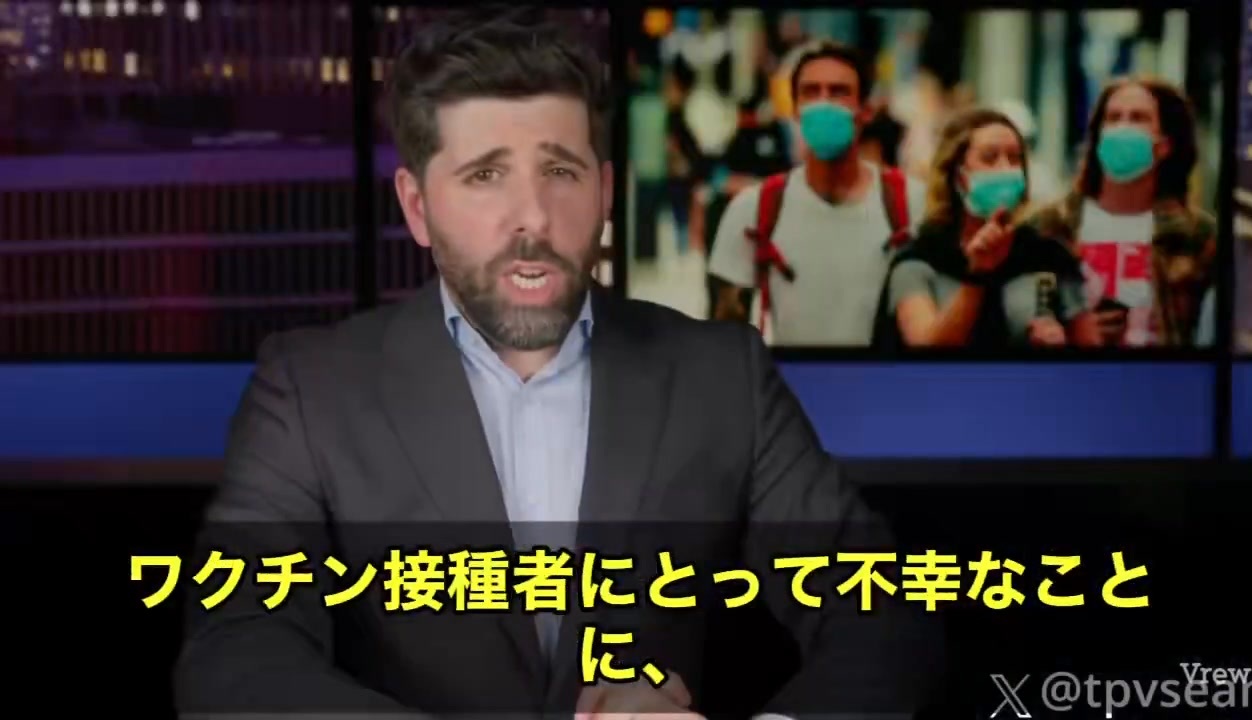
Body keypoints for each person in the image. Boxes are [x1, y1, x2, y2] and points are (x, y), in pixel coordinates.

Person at [173, 9, 934, 719]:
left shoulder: (720, 376)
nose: (533, 218)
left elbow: (881, 611)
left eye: (561, 171)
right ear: (417, 207)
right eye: (485, 175)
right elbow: (236, 652)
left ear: (604, 192)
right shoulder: (310, 388)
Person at [707, 41, 927, 346]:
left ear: (866, 111)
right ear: (796, 110)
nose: (823, 104)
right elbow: (726, 336)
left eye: (839, 92)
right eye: (811, 92)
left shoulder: (914, 204)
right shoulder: (753, 210)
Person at [873, 108, 1096, 349]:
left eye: (1015, 158)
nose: (1005, 168)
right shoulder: (919, 257)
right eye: (990, 158)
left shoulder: (1046, 254)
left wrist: (1060, 344)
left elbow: (1091, 347)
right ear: (958, 177)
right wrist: (977, 275)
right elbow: (926, 349)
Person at [1021, 76, 1216, 348]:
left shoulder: (1197, 237)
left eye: (1138, 119)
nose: (1122, 128)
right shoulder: (1049, 226)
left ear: (1164, 146)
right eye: (1113, 118)